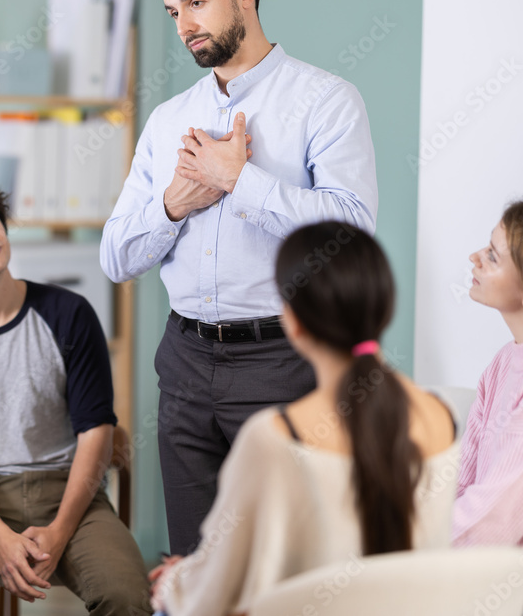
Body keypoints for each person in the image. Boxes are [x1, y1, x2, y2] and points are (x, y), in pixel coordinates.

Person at [100, 0, 379, 555]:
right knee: (194, 567)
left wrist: (239, 181)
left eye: (197, 2)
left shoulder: (325, 101)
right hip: (185, 362)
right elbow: (115, 256)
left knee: (284, 564)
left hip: (283, 363)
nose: (184, 26)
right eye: (174, 11)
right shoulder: (168, 119)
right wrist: (176, 203)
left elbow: (354, 231)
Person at [149, 221, 458, 615]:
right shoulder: (440, 416)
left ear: (291, 322)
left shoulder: (275, 436)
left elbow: (214, 597)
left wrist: (178, 578)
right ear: (385, 306)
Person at [0, 178, 151, 615]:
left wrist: (59, 531)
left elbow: (97, 433)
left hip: (70, 488)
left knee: (127, 596)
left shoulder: (69, 314)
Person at [453, 198, 523, 616]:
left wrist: (406, 552)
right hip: (480, 576)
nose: (474, 259)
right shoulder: (505, 361)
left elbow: (492, 522)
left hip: (520, 599)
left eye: (492, 256)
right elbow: (466, 479)